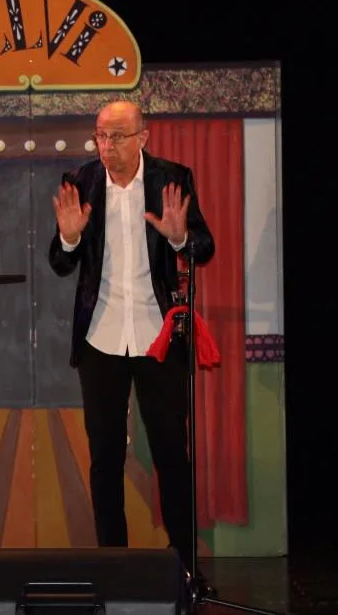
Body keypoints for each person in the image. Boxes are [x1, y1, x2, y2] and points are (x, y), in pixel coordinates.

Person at [48, 100, 216, 592]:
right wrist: (69, 239)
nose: (107, 146)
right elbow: (60, 262)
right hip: (100, 337)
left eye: (117, 136)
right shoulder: (81, 181)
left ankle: (186, 569)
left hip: (157, 335)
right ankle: (112, 570)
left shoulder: (172, 179)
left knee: (171, 455)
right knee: (105, 459)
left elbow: (204, 246)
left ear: (143, 137)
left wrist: (181, 240)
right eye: (100, 136)